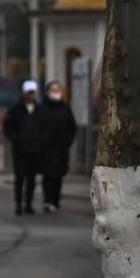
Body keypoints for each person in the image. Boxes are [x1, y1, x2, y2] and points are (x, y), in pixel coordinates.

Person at [3, 79, 46, 215]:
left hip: (35, 150)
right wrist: (16, 140)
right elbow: (8, 128)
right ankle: (18, 203)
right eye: (29, 92)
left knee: (32, 178)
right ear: (24, 93)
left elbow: (45, 128)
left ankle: (28, 203)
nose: (31, 95)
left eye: (33, 92)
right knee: (20, 177)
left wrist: (40, 141)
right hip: (19, 150)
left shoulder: (40, 110)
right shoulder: (15, 110)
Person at [39, 80, 77, 213]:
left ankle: (55, 200)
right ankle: (47, 199)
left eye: (57, 90)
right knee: (47, 175)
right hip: (46, 148)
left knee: (58, 175)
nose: (56, 92)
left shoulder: (65, 108)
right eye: (53, 90)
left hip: (61, 148)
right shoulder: (42, 108)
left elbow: (72, 127)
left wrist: (68, 140)